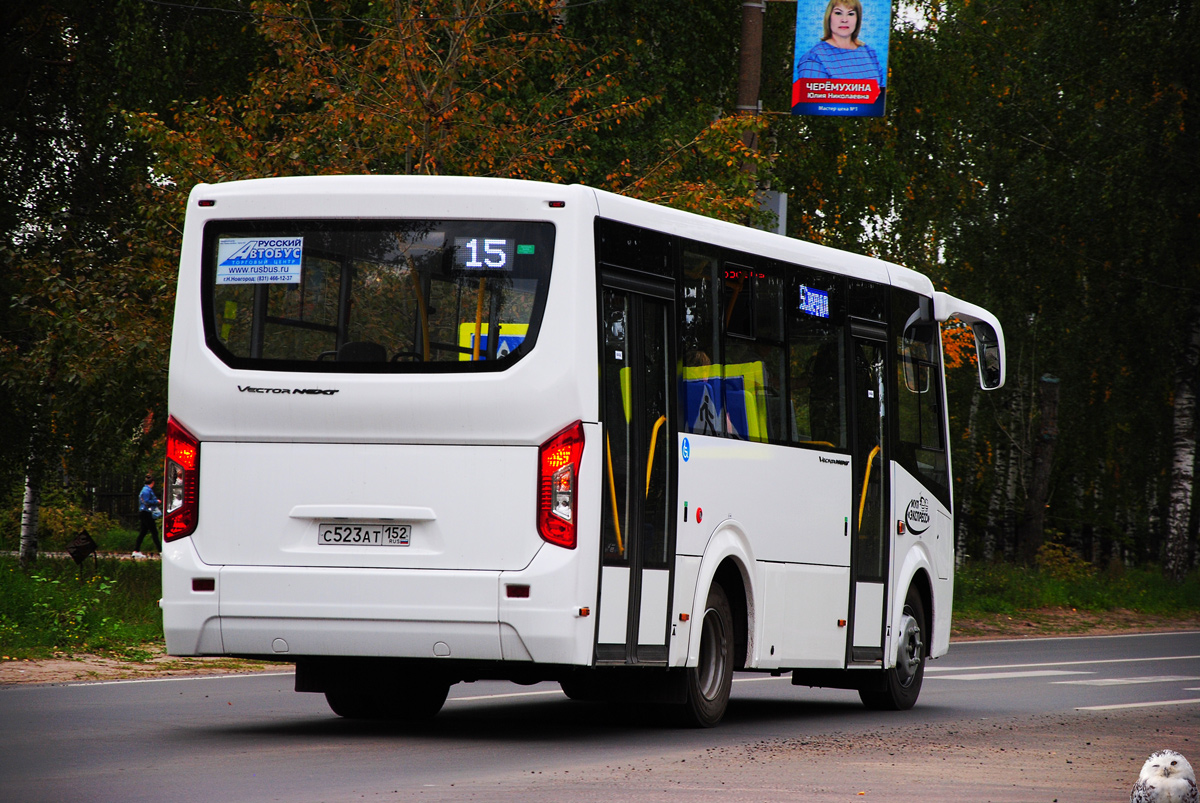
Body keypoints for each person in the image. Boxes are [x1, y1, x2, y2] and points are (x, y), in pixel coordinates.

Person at [795, 0, 884, 83]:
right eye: (838, 13)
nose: (844, 20)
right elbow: (812, 97)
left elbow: (881, 93)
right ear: (829, 17)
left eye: (850, 14)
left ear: (858, 19)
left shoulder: (869, 52)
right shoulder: (814, 57)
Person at [134, 474, 161, 558]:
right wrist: (156, 501)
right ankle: (161, 551)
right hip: (146, 512)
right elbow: (146, 501)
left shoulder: (145, 489)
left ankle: (136, 550)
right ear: (153, 482)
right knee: (154, 532)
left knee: (143, 532)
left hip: (144, 512)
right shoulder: (147, 490)